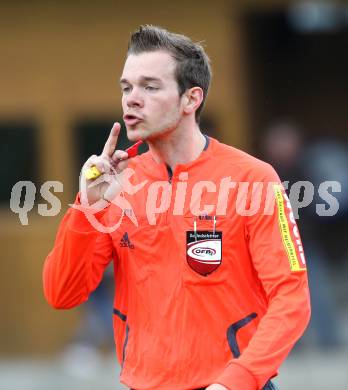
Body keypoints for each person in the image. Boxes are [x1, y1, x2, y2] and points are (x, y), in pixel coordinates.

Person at [43, 25, 311, 390]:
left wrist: (238, 380)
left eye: (150, 87)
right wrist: (87, 206)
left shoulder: (253, 179)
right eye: (127, 87)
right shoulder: (117, 184)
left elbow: (292, 298)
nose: (132, 99)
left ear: (191, 99)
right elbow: (62, 293)